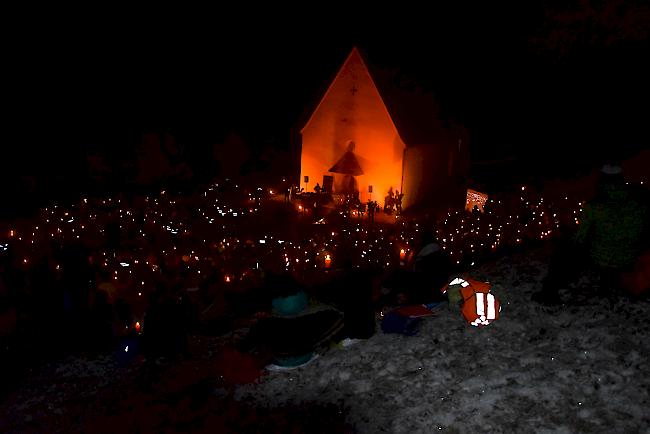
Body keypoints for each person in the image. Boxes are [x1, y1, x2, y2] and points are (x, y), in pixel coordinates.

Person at [532, 163, 649, 306]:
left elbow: (580, 237)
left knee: (566, 251)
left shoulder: (595, 206)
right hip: (630, 255)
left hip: (605, 258)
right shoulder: (637, 202)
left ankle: (549, 292)